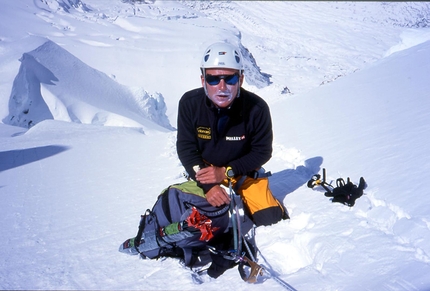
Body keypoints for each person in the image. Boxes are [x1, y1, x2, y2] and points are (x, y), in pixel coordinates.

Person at [176, 42, 288, 227]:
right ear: (203, 80)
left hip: (242, 173)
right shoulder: (190, 104)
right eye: (213, 79)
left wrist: (227, 172)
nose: (222, 87)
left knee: (270, 219)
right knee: (198, 224)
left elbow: (262, 152)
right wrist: (209, 185)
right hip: (207, 172)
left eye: (230, 79)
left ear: (241, 80)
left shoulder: (256, 108)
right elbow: (186, 148)